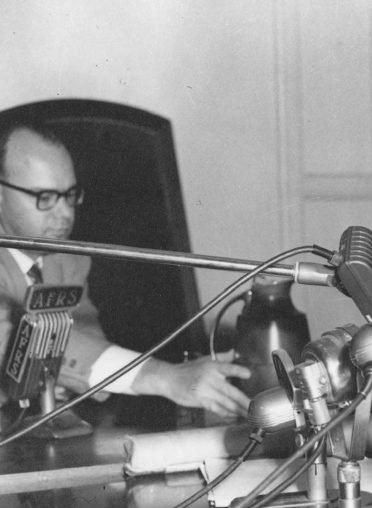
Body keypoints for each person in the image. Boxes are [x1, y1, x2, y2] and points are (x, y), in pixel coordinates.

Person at [0, 124, 251, 418]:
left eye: (70, 195)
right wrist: (164, 377)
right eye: (45, 197)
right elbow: (15, 339)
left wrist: (63, 379)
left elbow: (85, 344)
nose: (65, 214)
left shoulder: (66, 260)